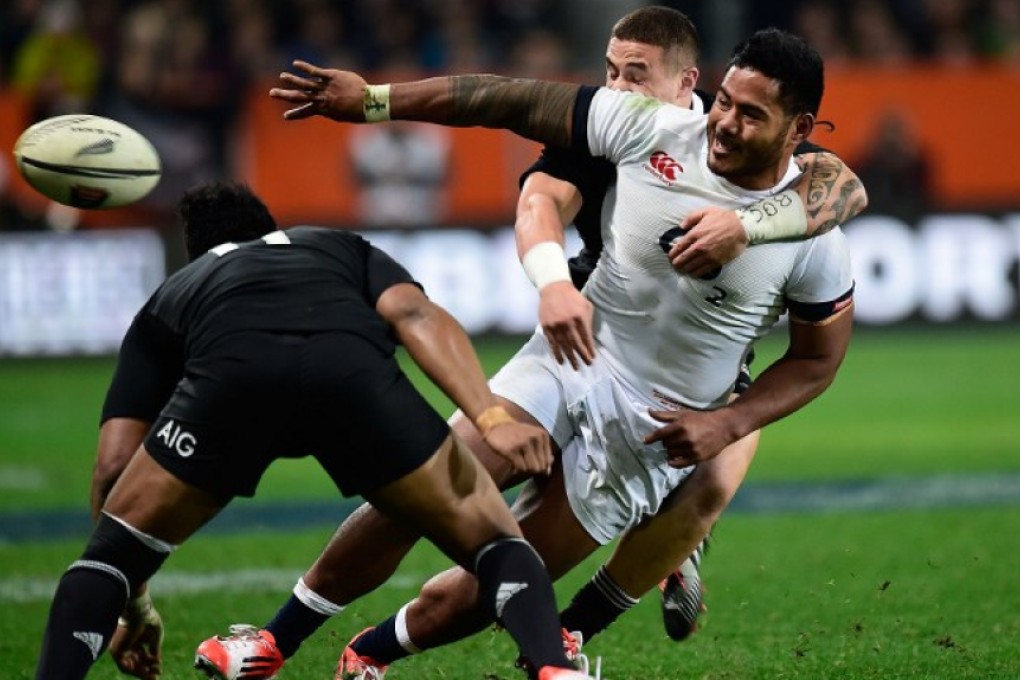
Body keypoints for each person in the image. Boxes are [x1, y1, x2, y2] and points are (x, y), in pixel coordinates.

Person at [193, 10, 868, 680]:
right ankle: (272, 644)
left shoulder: (816, 237)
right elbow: (505, 98)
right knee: (423, 484)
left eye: (751, 115)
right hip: (573, 356)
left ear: (799, 130)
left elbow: (818, 359)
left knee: (494, 585)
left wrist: (727, 420)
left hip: (654, 428)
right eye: (724, 102)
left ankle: (372, 650)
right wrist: (374, 100)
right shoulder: (646, 124)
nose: (724, 123)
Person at [33, 181, 596, 680]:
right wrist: (490, 418)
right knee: (495, 542)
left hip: (231, 387)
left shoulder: (174, 292)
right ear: (273, 230)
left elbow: (112, 466)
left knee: (106, 559)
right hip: (351, 376)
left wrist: (134, 604)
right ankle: (554, 667)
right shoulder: (334, 244)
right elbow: (415, 316)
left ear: (197, 255)